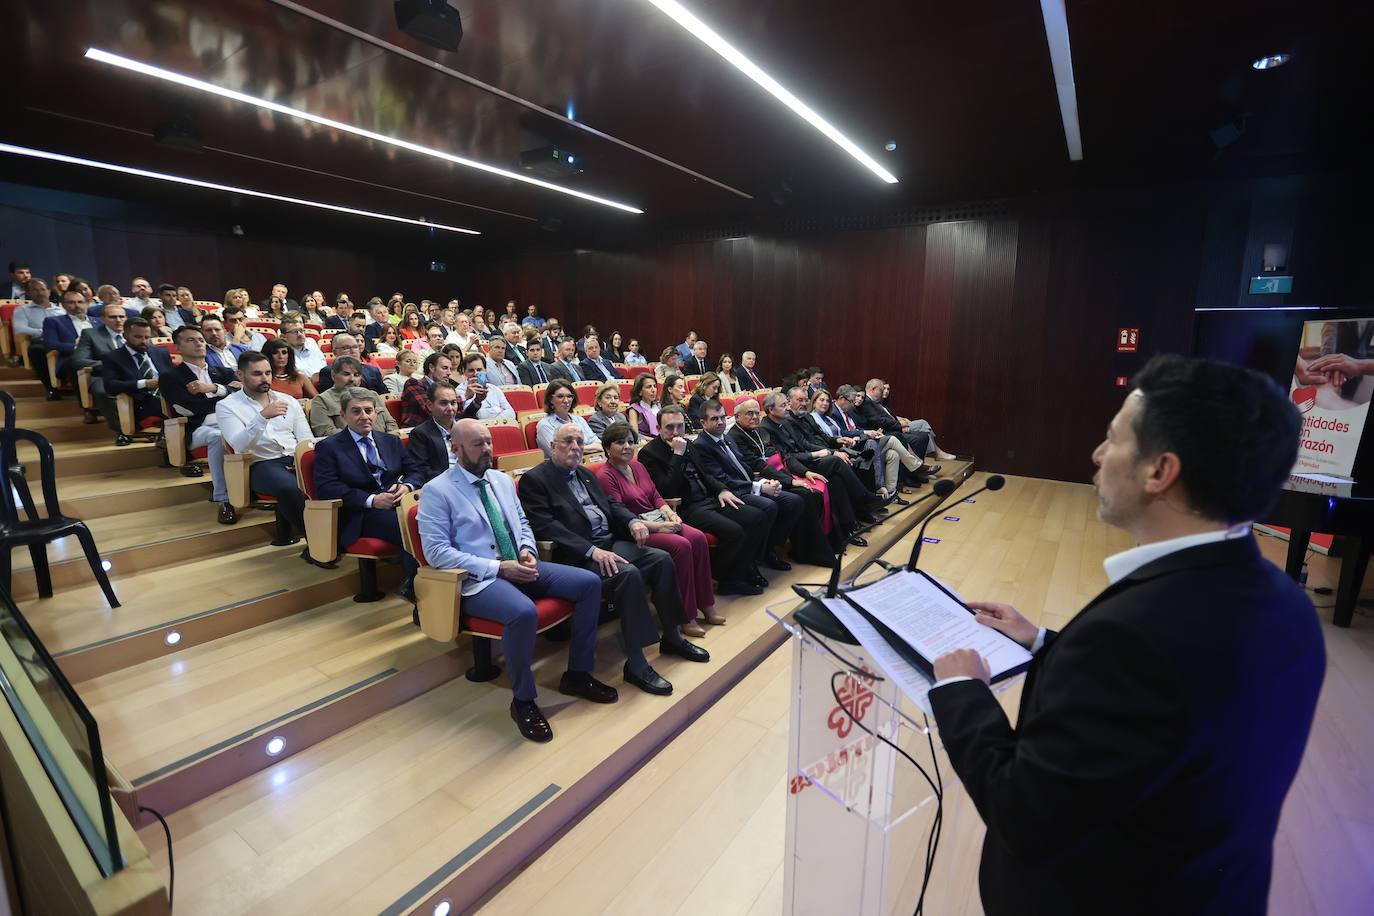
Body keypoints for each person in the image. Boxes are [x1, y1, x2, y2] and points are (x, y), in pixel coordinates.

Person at [927, 354, 1323, 916]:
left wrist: (961, 692)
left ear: (1159, 471)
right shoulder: (1286, 602)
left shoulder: (1130, 639)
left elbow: (1025, 813)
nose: (1097, 454)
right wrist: (1044, 642)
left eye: (1113, 439)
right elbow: (1165, 713)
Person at [418, 419, 612, 741]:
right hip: (477, 578)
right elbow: (436, 553)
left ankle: (577, 674)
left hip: (517, 564)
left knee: (589, 584)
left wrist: (527, 550)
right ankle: (523, 701)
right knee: (523, 612)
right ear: (456, 448)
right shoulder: (437, 490)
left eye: (489, 442)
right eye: (478, 444)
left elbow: (521, 522)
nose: (487, 449)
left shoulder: (501, 480)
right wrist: (498, 568)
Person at [518, 423, 709, 696]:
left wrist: (632, 521)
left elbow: (611, 505)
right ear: (552, 446)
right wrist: (590, 550)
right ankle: (637, 663)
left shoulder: (585, 473)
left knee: (661, 560)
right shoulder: (535, 480)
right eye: (568, 441)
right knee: (627, 574)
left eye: (579, 442)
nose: (575, 447)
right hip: (577, 555)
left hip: (609, 542)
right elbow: (546, 525)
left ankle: (672, 636)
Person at [594, 424, 720, 636]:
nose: (627, 446)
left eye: (631, 442)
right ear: (607, 448)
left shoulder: (637, 466)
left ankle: (707, 604)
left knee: (698, 538)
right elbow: (619, 514)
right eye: (620, 442)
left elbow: (655, 496)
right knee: (681, 546)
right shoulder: (605, 475)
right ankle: (686, 615)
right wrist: (660, 526)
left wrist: (670, 514)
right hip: (634, 530)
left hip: (658, 519)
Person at [640, 404, 769, 596]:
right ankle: (726, 579)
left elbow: (705, 474)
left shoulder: (688, 443)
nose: (675, 432)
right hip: (685, 506)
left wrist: (721, 490)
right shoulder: (649, 453)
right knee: (734, 532)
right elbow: (666, 489)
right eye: (669, 427)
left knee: (757, 517)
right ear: (658, 428)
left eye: (680, 426)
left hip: (710, 498)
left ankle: (743, 569)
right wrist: (677, 455)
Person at [311, 387, 423, 600]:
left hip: (397, 503)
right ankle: (416, 585)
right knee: (410, 524)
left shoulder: (390, 440)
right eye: (356, 411)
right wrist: (371, 500)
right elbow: (326, 488)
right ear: (343, 415)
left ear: (376, 413)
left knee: (437, 515)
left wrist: (407, 487)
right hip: (360, 513)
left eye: (368, 410)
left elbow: (415, 471)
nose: (364, 416)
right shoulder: (329, 447)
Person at [691, 398, 804, 571]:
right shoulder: (701, 446)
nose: (720, 422)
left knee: (794, 501)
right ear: (703, 423)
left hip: (747, 485)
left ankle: (768, 548)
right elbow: (722, 480)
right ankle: (756, 558)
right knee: (769, 507)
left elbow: (744, 468)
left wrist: (764, 481)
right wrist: (759, 487)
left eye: (722, 417)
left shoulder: (727, 438)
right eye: (714, 419)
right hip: (730, 492)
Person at [725, 397, 836, 567]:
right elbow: (758, 465)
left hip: (779, 474)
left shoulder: (760, 431)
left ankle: (807, 548)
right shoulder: (735, 436)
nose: (755, 417)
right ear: (737, 416)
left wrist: (805, 472)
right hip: (761, 480)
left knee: (811, 494)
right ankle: (776, 550)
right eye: (749, 413)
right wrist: (790, 482)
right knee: (803, 496)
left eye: (756, 413)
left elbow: (783, 456)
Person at [163, 326, 238, 522]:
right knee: (218, 437)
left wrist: (213, 388)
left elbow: (243, 395)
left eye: (200, 339)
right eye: (190, 340)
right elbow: (187, 408)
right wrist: (225, 396)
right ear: (177, 347)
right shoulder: (170, 376)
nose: (198, 343)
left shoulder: (223, 371)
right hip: (197, 428)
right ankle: (223, 499)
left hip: (230, 422)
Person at [100, 316, 176, 444]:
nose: (144, 341)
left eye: (147, 337)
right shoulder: (113, 357)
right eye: (138, 337)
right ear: (125, 335)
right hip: (141, 401)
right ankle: (168, 436)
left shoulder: (160, 352)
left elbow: (173, 376)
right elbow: (110, 386)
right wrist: (144, 383)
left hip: (167, 395)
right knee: (165, 403)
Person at [856, 377, 955, 464]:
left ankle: (921, 465)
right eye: (881, 390)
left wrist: (901, 422)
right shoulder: (868, 402)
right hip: (888, 431)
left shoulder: (877, 402)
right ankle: (923, 463)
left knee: (924, 434)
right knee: (922, 427)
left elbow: (887, 417)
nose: (883, 393)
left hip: (894, 427)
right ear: (873, 389)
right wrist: (900, 425)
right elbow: (879, 420)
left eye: (886, 389)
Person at [309, 356, 398, 437]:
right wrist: (362, 438)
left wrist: (385, 441)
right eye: (346, 374)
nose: (352, 379)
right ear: (333, 375)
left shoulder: (373, 395)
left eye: (356, 375)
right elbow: (325, 432)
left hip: (382, 444)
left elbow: (391, 424)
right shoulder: (322, 400)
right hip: (347, 447)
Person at [73, 301, 128, 424]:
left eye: (122, 317)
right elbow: (78, 361)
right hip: (104, 376)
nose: (118, 320)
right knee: (102, 391)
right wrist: (110, 366)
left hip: (135, 374)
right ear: (103, 319)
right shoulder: (90, 334)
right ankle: (122, 429)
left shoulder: (135, 333)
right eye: (113, 317)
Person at [40, 288, 93, 397]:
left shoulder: (99, 321)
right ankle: (84, 402)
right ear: (63, 305)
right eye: (71, 302)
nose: (77, 305)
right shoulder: (53, 321)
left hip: (98, 356)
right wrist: (77, 346)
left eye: (80, 302)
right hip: (71, 358)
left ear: (86, 304)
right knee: (77, 362)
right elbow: (51, 344)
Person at [406, 380, 461, 482]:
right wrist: (453, 480)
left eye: (453, 403)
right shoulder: (420, 434)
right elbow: (421, 470)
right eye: (444, 403)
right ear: (430, 405)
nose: (450, 408)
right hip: (443, 483)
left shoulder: (465, 428)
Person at [13, 279, 63, 391]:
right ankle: (51, 390)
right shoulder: (22, 310)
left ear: (49, 291)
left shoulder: (61, 310)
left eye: (43, 289)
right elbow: (20, 329)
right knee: (36, 351)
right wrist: (45, 332)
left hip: (62, 341)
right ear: (28, 293)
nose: (40, 293)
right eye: (35, 290)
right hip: (41, 342)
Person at [535, 380, 602, 457]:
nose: (566, 401)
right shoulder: (545, 425)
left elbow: (599, 445)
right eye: (560, 396)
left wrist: (573, 449)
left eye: (569, 396)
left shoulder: (579, 420)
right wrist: (589, 448)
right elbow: (558, 453)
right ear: (551, 399)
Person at [317, 333, 386, 394]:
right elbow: (329, 398)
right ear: (335, 352)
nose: (353, 351)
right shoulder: (328, 371)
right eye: (346, 348)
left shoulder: (373, 370)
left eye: (355, 347)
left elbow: (385, 395)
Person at [455, 353, 515, 420]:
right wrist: (499, 411)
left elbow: (511, 413)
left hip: (500, 425)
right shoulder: (459, 391)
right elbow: (477, 416)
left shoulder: (494, 389)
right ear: (464, 372)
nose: (476, 374)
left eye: (479, 370)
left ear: (485, 370)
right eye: (471, 371)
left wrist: (494, 420)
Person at [400, 352, 453, 427]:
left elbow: (459, 410)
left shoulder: (448, 387)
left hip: (443, 429)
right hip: (417, 431)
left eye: (450, 369)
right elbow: (429, 410)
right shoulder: (414, 384)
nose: (449, 373)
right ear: (431, 368)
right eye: (445, 368)